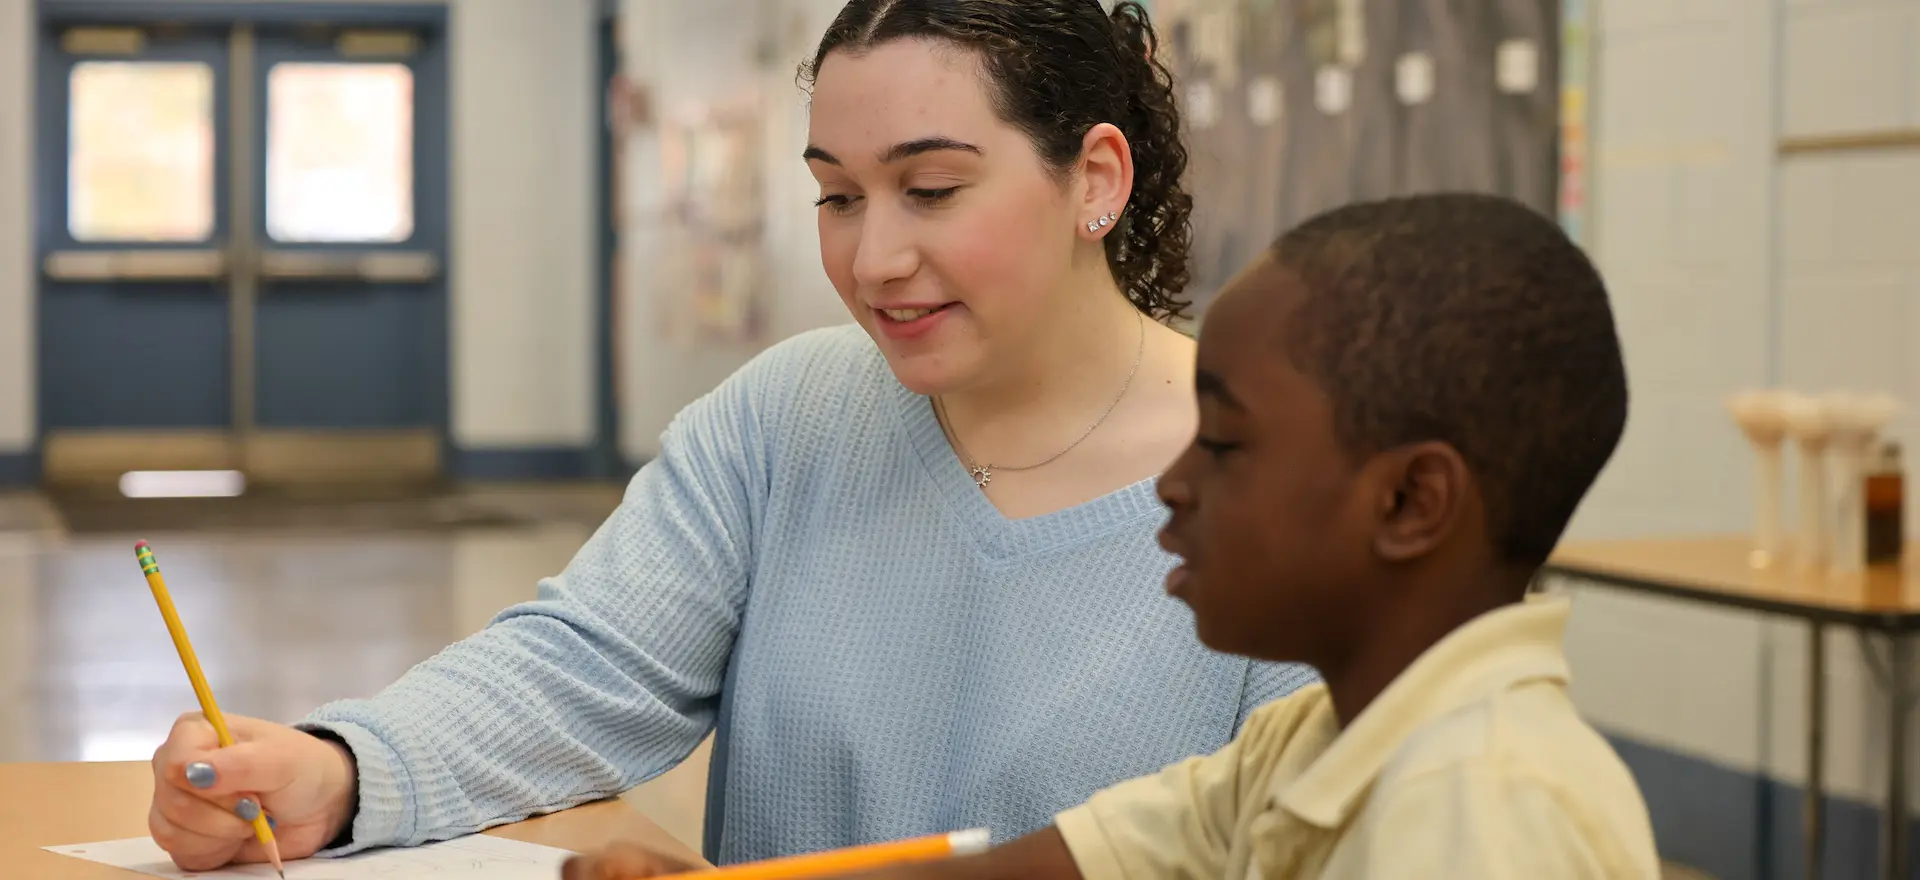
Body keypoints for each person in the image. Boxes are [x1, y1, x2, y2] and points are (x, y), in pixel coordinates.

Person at [143, 0, 1319, 873]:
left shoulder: (1296, 492)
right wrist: (343, 770)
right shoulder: (789, 416)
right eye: (839, 197)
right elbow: (585, 663)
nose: (873, 261)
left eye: (934, 189)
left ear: (1095, 180)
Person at [564, 192, 1664, 880]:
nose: (1171, 483)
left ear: (1411, 504)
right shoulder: (1326, 738)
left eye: (1224, 446)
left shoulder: (1476, 810)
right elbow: (1066, 863)